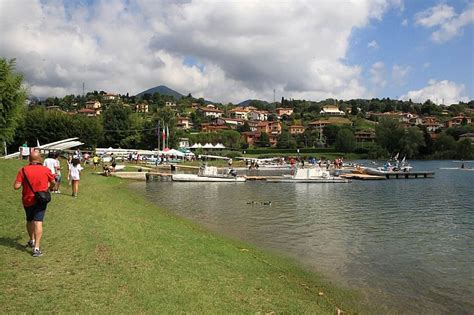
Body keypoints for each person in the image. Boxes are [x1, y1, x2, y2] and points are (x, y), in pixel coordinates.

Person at [14, 150, 56, 257]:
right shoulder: (46, 170)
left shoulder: (23, 170)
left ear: (29, 159)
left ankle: (31, 239)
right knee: (38, 221)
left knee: (29, 220)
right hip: (41, 200)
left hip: (27, 199)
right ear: (39, 159)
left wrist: (23, 183)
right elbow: (53, 183)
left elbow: (16, 186)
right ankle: (36, 248)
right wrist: (48, 189)